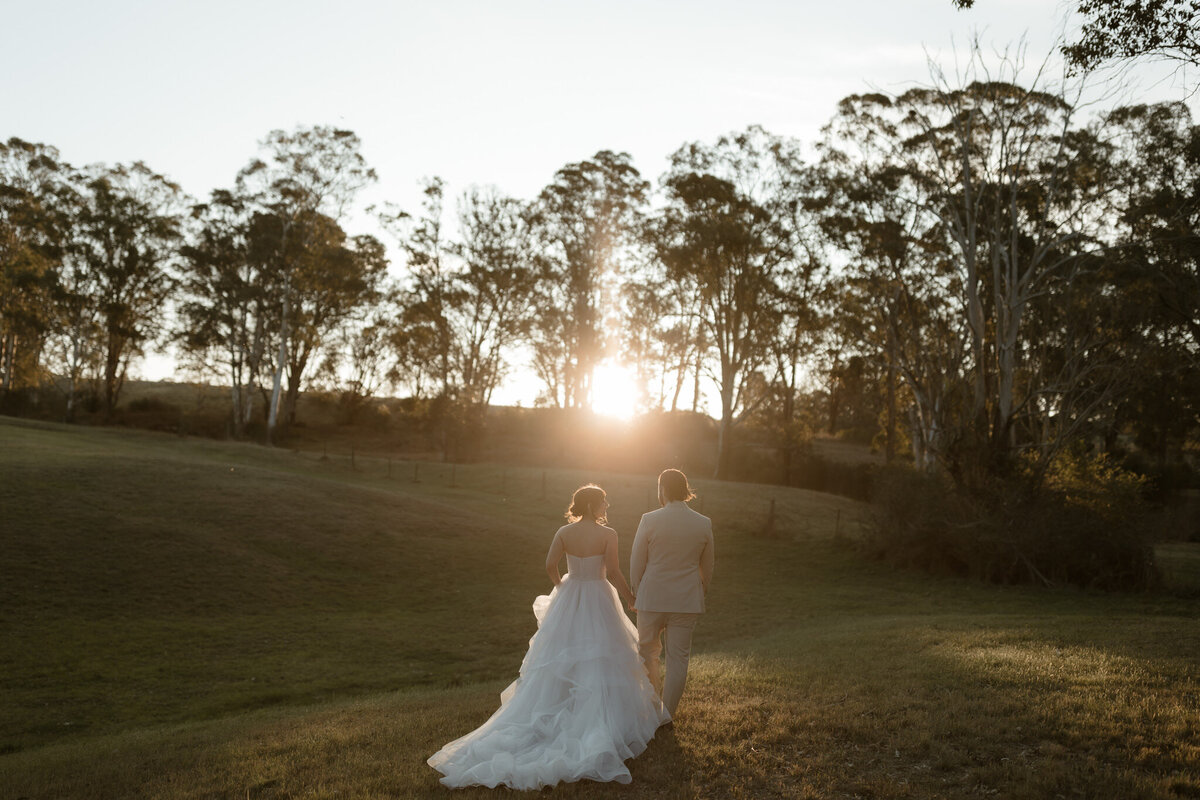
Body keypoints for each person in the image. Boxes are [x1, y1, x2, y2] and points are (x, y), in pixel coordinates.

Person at [427, 484, 670, 790]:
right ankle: (597, 716)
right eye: (604, 501)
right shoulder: (609, 534)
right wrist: (631, 598)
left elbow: (549, 565)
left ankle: (563, 703)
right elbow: (614, 573)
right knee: (602, 653)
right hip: (598, 596)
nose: (608, 504)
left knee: (563, 654)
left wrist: (561, 587)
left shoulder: (564, 532)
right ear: (594, 505)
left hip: (570, 595)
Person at [630, 468, 714, 717]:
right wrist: (700, 591)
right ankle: (666, 715)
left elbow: (637, 562)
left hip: (651, 597)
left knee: (647, 652)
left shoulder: (649, 519)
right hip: (686, 600)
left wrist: (636, 594)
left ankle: (651, 706)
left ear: (662, 489)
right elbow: (707, 567)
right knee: (678, 659)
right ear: (685, 490)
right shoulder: (703, 522)